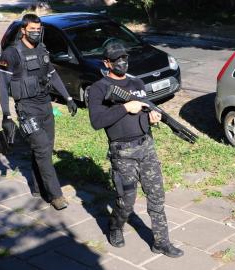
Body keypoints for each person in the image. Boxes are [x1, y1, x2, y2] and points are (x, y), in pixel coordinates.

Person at [88, 41, 184, 258]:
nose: (122, 62)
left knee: (157, 197)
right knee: (127, 201)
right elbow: (97, 121)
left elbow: (143, 108)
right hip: (123, 154)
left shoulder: (137, 83)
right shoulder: (99, 89)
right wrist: (124, 107)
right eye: (117, 60)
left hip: (146, 147)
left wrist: (152, 118)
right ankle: (115, 226)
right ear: (107, 63)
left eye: (125, 58)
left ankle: (161, 242)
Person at [0, 14, 77, 210]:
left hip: (45, 106)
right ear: (23, 30)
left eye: (38, 30)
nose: (36, 33)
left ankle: (36, 185)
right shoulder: (11, 53)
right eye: (32, 30)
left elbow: (52, 74)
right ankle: (56, 195)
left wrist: (67, 97)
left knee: (45, 150)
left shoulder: (42, 49)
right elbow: (2, 86)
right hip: (26, 109)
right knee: (42, 149)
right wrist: (6, 115)